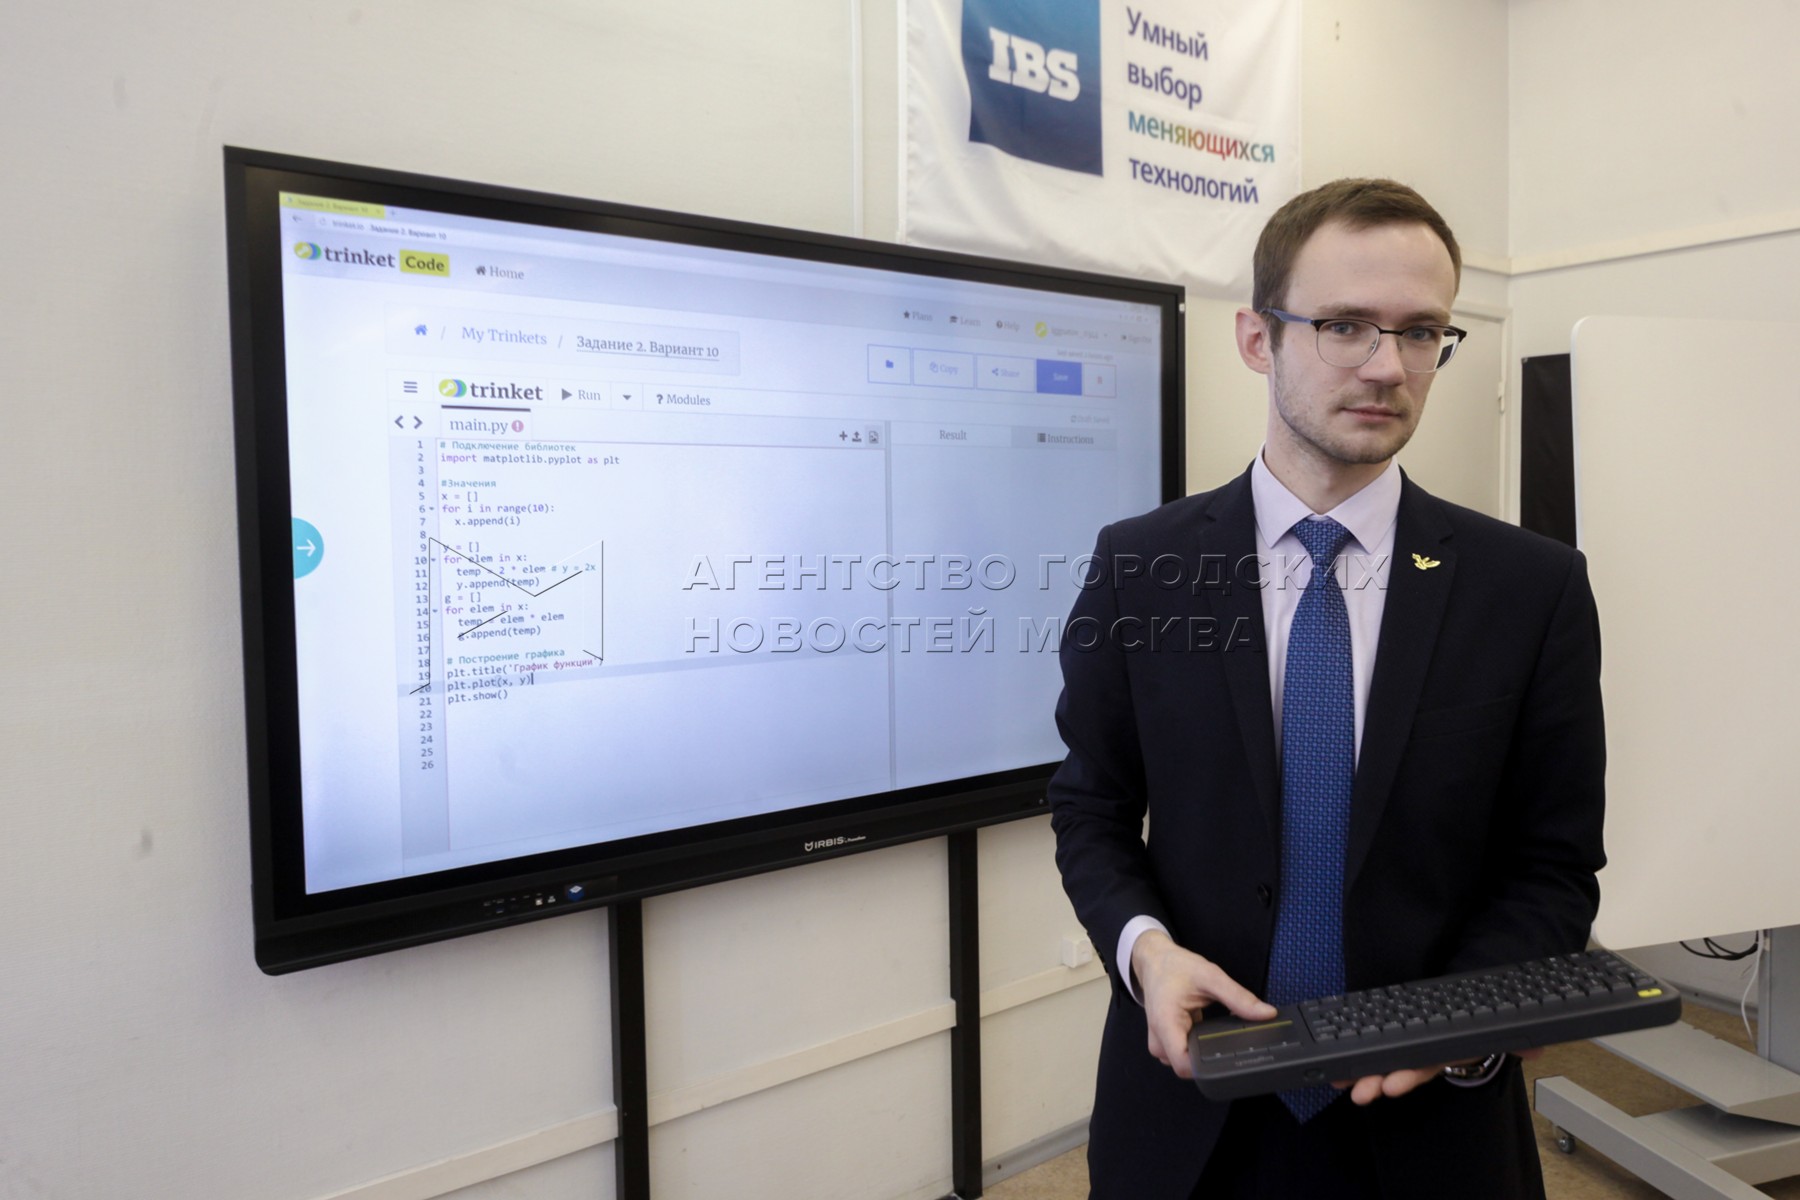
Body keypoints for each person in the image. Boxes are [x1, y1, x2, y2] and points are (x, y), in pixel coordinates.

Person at [1048, 178, 1606, 1199]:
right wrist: (1145, 952)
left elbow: (1554, 863)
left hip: (1432, 1123)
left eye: (1420, 332)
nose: (1387, 366)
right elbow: (1091, 807)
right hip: (1190, 1103)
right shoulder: (1140, 566)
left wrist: (1469, 1017)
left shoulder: (1531, 588)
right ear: (1256, 339)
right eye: (1344, 325)